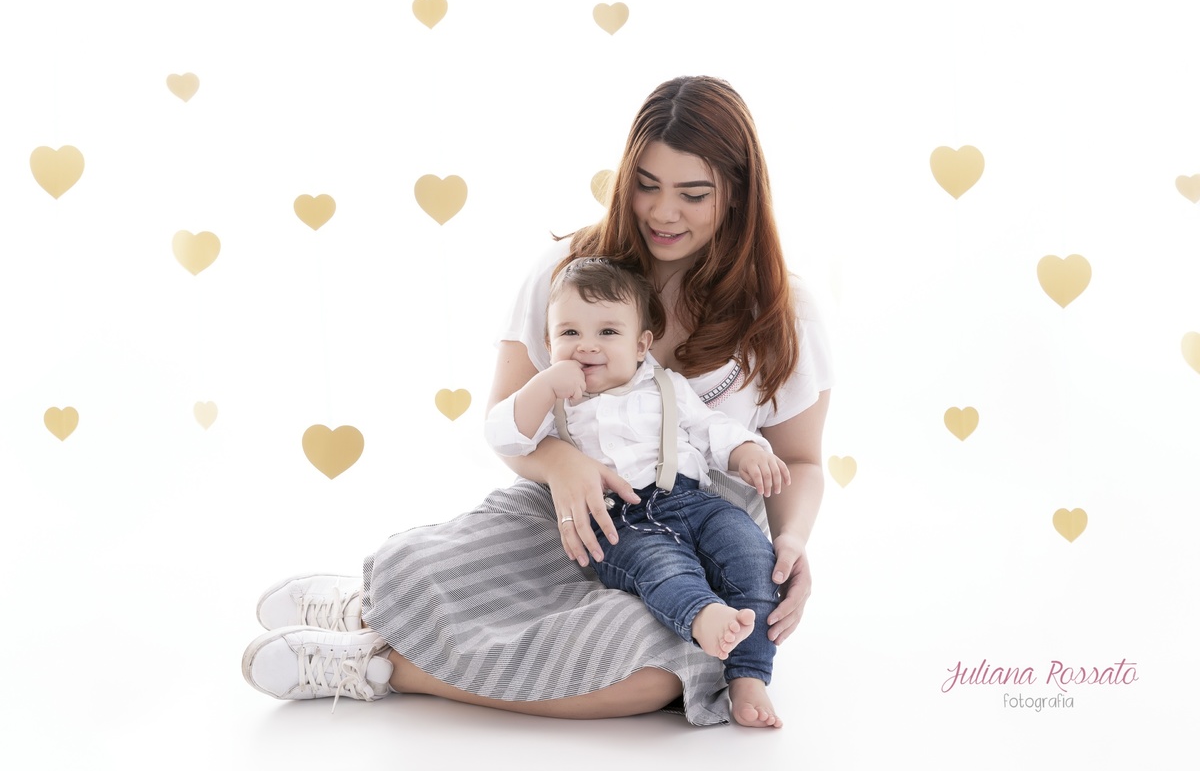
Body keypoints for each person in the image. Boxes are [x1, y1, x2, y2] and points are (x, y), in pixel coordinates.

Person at [242, 75, 833, 728]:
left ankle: (377, 665)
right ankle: (366, 608)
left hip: (702, 536)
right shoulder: (567, 273)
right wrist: (559, 464)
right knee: (411, 568)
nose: (665, 213)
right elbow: (504, 420)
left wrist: (793, 542)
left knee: (650, 674)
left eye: (693, 194)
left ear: (740, 194)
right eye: (646, 185)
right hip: (574, 511)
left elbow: (800, 460)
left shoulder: (785, 310)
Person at [485, 255, 792, 727]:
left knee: (751, 552)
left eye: (607, 333)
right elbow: (504, 435)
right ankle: (703, 616)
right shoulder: (557, 401)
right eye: (569, 334)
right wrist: (542, 386)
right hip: (621, 518)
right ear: (549, 344)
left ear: (642, 344)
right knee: (662, 567)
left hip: (694, 500)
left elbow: (712, 429)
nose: (587, 346)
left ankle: (749, 675)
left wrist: (746, 451)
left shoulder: (666, 387)